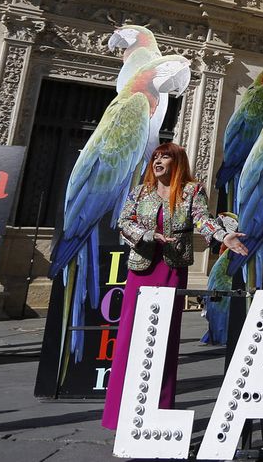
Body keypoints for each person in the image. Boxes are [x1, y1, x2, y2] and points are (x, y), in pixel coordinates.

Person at [101, 143, 247, 429]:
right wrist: (146, 235)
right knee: (131, 339)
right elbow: (123, 222)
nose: (157, 161)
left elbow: (203, 220)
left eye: (164, 156)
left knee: (163, 340)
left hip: (171, 270)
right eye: (156, 156)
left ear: (177, 161)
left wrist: (222, 236)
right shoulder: (140, 191)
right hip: (140, 271)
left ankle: (159, 410)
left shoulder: (192, 191)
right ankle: (120, 414)